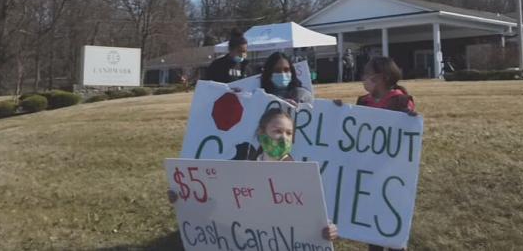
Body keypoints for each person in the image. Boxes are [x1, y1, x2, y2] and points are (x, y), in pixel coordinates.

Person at [169, 109, 338, 242]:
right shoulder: (243, 172)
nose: (284, 138)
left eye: (289, 133)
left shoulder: (303, 176)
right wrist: (183, 197)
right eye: (277, 131)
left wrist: (327, 228)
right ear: (262, 134)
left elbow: (314, 214)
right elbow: (216, 203)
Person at [349, 56, 416, 251]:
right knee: (373, 224)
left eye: (367, 74)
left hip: (392, 174)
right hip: (369, 172)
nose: (363, 78)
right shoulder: (363, 101)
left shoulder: (401, 101)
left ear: (381, 77)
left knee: (392, 222)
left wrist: (410, 120)